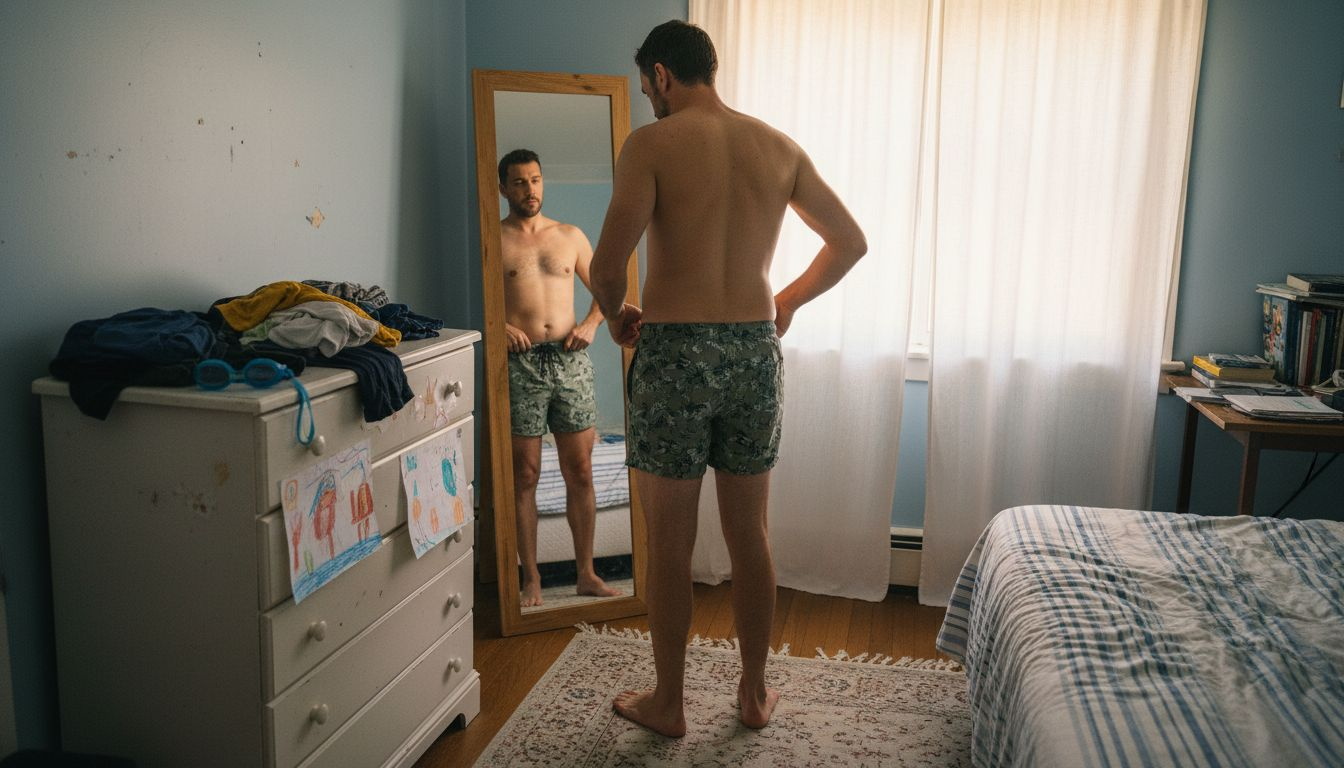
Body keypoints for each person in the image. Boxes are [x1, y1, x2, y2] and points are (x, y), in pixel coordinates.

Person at [588, 21, 867, 737]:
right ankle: (751, 694)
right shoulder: (777, 146)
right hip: (751, 350)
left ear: (658, 76)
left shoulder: (650, 143)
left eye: (650, 83)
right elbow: (849, 242)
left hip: (675, 351)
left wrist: (617, 314)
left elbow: (609, 266)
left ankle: (670, 703)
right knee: (751, 537)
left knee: (671, 545)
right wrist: (787, 300)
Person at [498, 148, 622, 607]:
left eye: (535, 180)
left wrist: (591, 325)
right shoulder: (496, 239)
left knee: (581, 470)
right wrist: (499, 326)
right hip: (520, 366)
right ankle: (531, 578)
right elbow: (484, 302)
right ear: (503, 188)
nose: (529, 190)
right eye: (518, 182)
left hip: (570, 362)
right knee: (524, 473)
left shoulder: (568, 236)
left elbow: (608, 290)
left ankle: (586, 573)